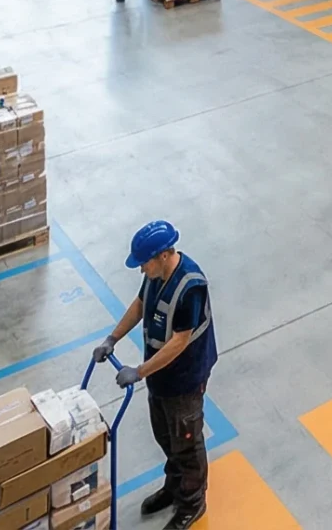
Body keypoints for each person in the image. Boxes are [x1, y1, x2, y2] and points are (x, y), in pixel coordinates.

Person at [93, 221, 219, 529]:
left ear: (163, 255)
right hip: (160, 375)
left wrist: (138, 371)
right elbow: (140, 305)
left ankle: (192, 502)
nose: (140, 269)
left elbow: (179, 342)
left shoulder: (191, 285)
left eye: (143, 262)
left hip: (185, 379)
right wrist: (112, 338)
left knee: (186, 442)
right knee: (166, 436)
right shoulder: (155, 275)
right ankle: (174, 486)